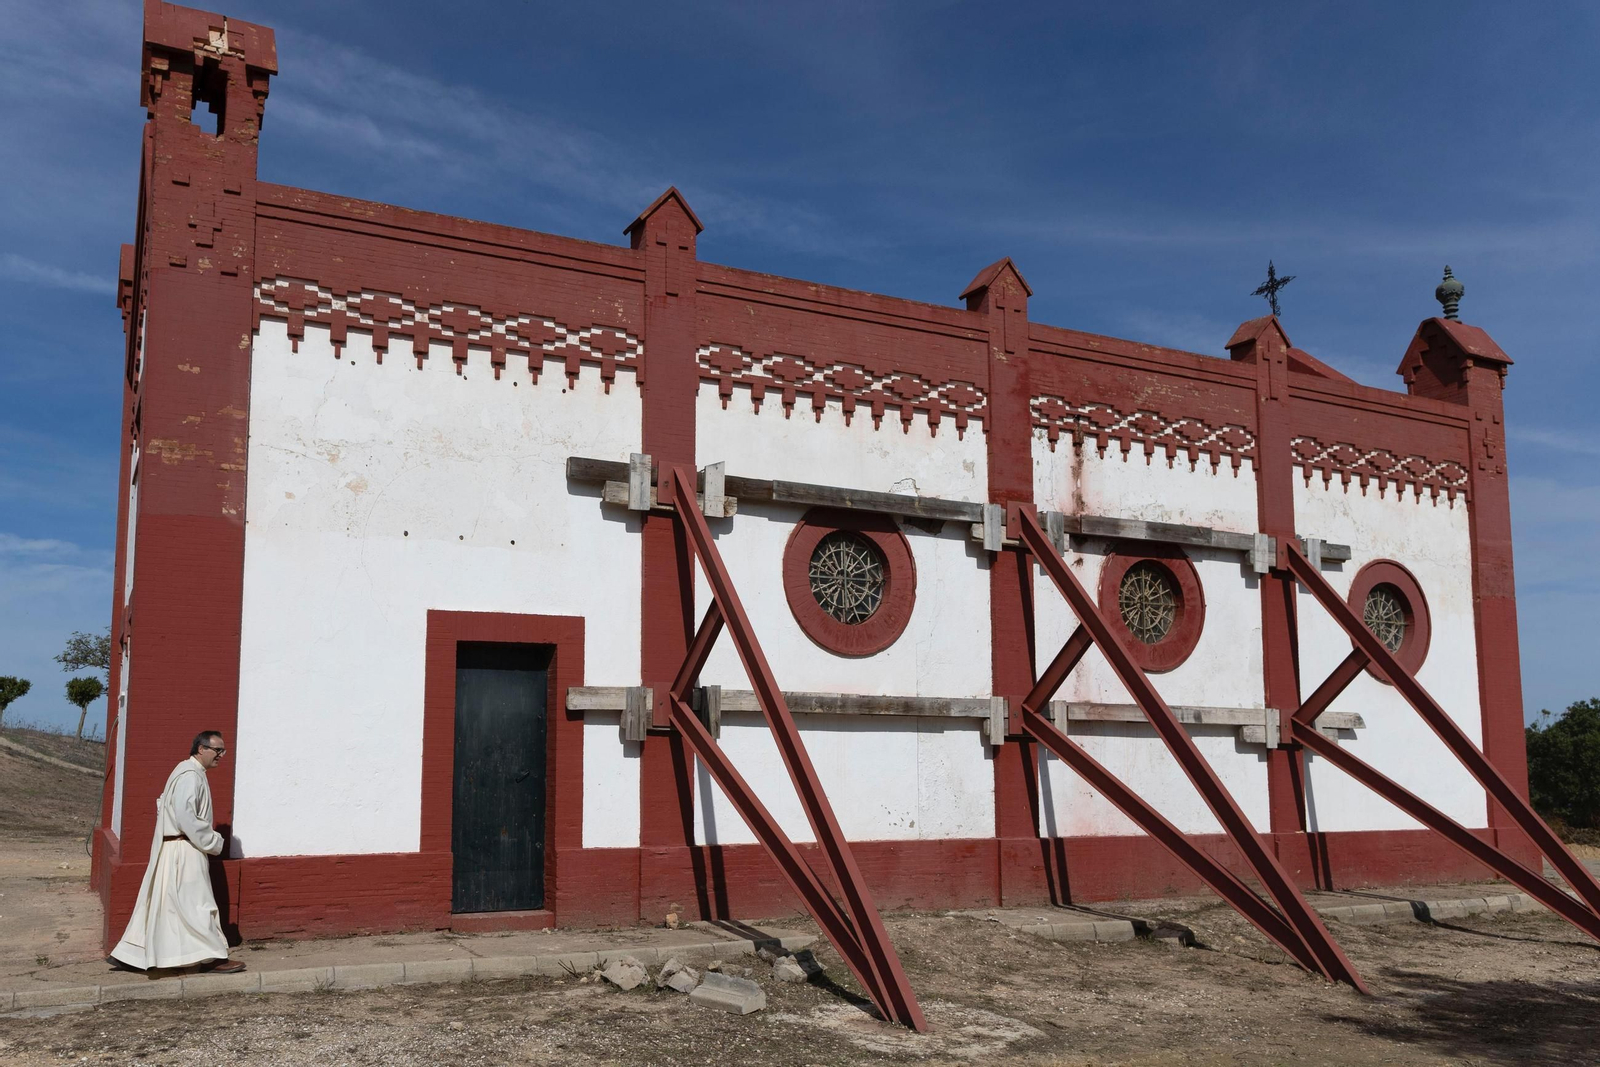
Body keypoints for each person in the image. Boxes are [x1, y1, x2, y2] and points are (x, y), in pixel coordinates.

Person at [108, 731, 244, 975]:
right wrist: (214, 841)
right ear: (201, 749)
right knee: (197, 905)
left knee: (170, 905)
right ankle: (212, 958)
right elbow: (186, 816)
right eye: (217, 750)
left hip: (177, 847)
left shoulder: (184, 772)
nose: (221, 756)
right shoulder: (190, 776)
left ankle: (133, 954)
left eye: (223, 751)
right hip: (185, 849)